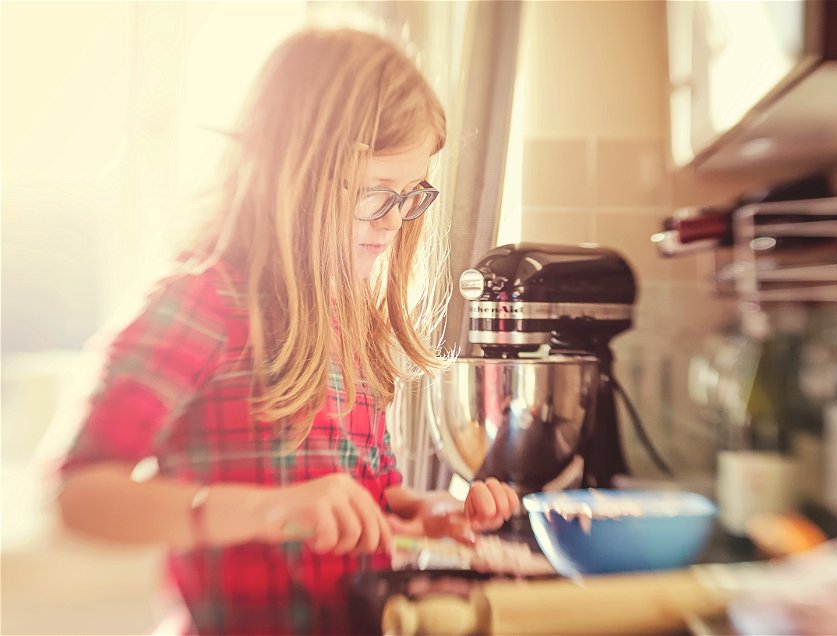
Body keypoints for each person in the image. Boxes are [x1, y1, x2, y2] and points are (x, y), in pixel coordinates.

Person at [55, 28, 519, 636]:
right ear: (290, 172)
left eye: (410, 196)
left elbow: (363, 494)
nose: (393, 222)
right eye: (375, 193)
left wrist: (427, 512)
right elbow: (79, 496)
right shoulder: (202, 304)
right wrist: (268, 511)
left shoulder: (349, 321)